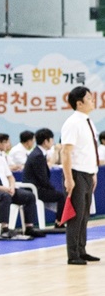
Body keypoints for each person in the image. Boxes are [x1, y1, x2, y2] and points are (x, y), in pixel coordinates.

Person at [60, 86, 99, 265]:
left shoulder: (88, 121)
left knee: (84, 215)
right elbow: (66, 152)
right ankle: (73, 254)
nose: (93, 101)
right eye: (89, 98)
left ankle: (81, 249)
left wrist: (94, 173)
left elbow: (89, 150)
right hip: (76, 173)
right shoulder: (72, 123)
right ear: (79, 103)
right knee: (76, 216)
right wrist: (69, 178)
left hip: (87, 172)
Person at [23, 128, 66, 227]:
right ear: (46, 141)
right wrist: (51, 188)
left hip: (36, 187)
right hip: (34, 189)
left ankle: (60, 221)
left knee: (58, 194)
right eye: (51, 140)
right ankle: (59, 222)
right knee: (60, 196)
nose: (53, 142)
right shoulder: (37, 155)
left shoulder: (38, 153)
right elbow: (42, 178)